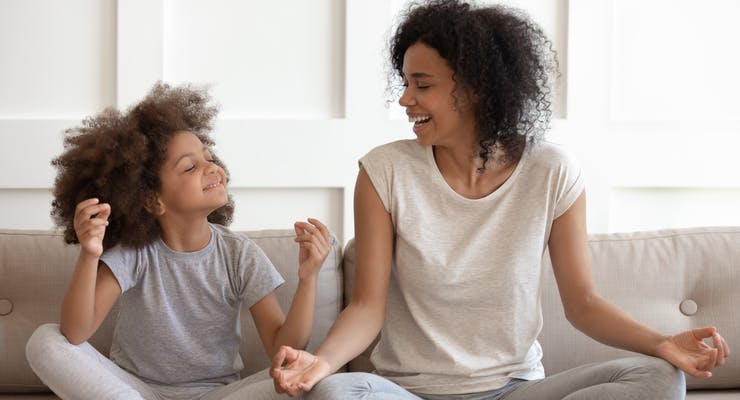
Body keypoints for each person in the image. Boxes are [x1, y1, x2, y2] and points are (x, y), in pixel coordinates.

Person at [270, 1, 730, 399]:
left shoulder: (553, 172)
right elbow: (367, 308)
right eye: (406, 83)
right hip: (407, 391)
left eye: (422, 84)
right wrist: (322, 363)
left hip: (517, 389)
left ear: (476, 88)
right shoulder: (383, 171)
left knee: (656, 378)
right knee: (336, 390)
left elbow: (584, 303)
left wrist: (662, 343)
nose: (406, 99)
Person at [25, 82, 332, 400]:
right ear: (151, 200)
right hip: (136, 391)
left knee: (303, 378)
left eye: (209, 158)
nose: (212, 168)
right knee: (45, 340)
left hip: (217, 395)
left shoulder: (240, 254)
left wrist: (308, 278)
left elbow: (283, 351)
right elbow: (76, 332)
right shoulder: (135, 254)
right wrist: (89, 255)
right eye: (190, 166)